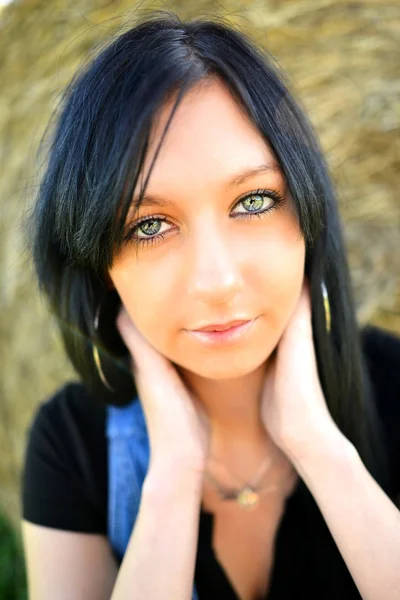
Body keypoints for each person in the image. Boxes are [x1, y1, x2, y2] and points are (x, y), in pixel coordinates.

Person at [20, 9, 400, 600]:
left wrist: (317, 445)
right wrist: (173, 473)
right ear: (100, 264)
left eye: (252, 201)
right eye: (149, 225)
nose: (217, 280)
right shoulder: (70, 443)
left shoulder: (396, 382)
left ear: (307, 212)